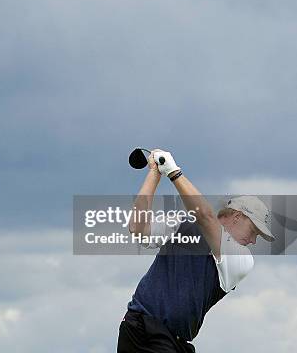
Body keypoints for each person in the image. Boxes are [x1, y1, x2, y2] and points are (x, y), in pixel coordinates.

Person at [117, 149, 275, 353]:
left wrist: (173, 172)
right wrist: (154, 174)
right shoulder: (183, 224)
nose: (253, 241)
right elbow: (137, 228)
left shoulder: (242, 260)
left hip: (175, 342)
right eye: (254, 231)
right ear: (237, 216)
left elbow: (206, 217)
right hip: (142, 330)